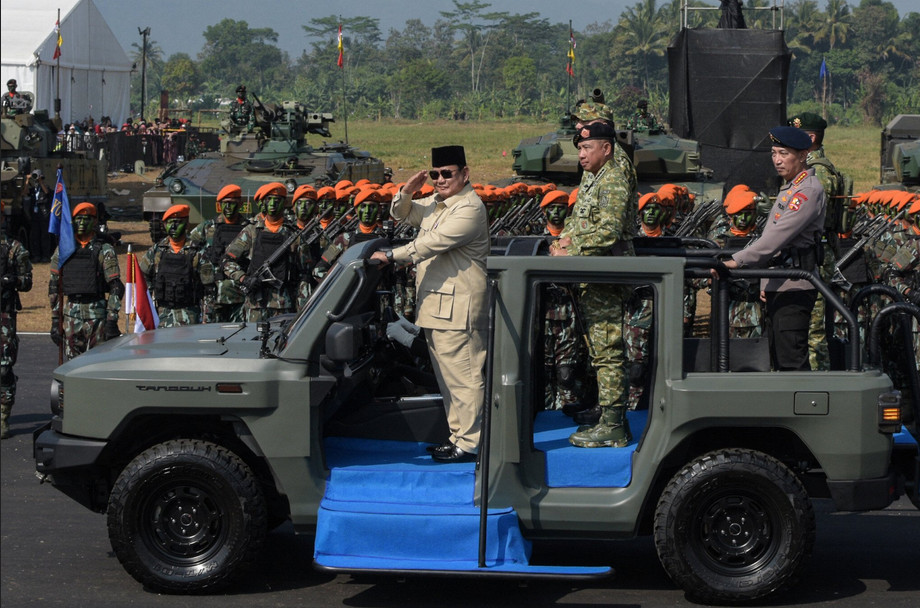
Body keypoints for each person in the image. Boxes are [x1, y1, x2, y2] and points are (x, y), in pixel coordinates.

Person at [370, 145, 490, 463]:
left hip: (459, 311)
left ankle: (471, 443)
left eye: (447, 173)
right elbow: (401, 213)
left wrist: (391, 256)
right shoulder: (439, 205)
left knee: (464, 378)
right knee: (448, 379)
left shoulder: (468, 208)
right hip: (439, 309)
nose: (440, 180)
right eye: (435, 174)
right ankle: (458, 437)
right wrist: (406, 191)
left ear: (465, 174)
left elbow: (430, 243)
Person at [549, 121, 638, 448]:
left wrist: (568, 248)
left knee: (608, 350)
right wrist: (561, 241)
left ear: (606, 148)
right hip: (592, 273)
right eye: (580, 149)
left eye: (587, 148)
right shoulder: (594, 176)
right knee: (598, 350)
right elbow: (579, 221)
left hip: (606, 275)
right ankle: (607, 415)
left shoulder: (613, 179)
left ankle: (615, 424)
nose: (581, 155)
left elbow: (609, 231)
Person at [715, 126, 826, 371]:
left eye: (783, 153)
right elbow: (773, 241)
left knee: (791, 361)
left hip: (795, 284)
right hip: (781, 281)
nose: (777, 160)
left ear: (802, 155)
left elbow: (775, 239)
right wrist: (767, 281)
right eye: (774, 153)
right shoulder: (790, 188)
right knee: (778, 358)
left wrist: (736, 261)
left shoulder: (807, 190)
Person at [788, 112, 848, 371]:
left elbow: (807, 216)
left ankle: (818, 380)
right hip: (809, 251)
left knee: (813, 328)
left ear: (810, 138)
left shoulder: (818, 173)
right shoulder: (807, 170)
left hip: (815, 254)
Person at [48, 203, 123, 361]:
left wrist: (111, 320)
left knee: (97, 365)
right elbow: (54, 286)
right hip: (71, 317)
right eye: (78, 219)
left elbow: (116, 287)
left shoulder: (104, 249)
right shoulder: (64, 249)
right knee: (72, 368)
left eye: (86, 219)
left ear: (95, 222)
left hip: (96, 317)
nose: (81, 223)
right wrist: (56, 320)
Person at [223, 182, 298, 322]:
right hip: (255, 305)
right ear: (263, 203)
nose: (273, 204)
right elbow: (227, 261)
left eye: (277, 200)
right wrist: (243, 278)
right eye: (269, 200)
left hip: (284, 303)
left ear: (284, 203)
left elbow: (304, 271)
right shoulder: (251, 231)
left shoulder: (293, 233)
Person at [140, 204, 212, 327]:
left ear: (187, 225)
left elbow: (209, 289)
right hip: (162, 317)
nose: (173, 227)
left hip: (190, 317)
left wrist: (207, 318)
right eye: (170, 223)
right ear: (164, 225)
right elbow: (142, 279)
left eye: (178, 222)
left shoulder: (198, 252)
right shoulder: (156, 251)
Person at [707, 185, 765, 338]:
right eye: (739, 214)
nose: (744, 218)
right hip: (726, 309)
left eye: (748, 213)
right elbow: (702, 273)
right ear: (731, 216)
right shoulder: (718, 241)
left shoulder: (764, 239)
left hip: (757, 310)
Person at [189, 185, 251, 323]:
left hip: (240, 294)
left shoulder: (249, 229)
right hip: (213, 295)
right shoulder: (207, 228)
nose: (228, 207)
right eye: (225, 203)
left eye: (232, 203)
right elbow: (189, 252)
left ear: (240, 204)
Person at [1, 205, 33, 439]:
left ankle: (3, 416)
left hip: (4, 315)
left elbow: (27, 282)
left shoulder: (14, 249)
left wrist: (11, 280)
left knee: (3, 369)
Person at [25, 169, 53, 262]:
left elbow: (46, 192)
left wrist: (41, 182)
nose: (36, 179)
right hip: (35, 215)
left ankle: (45, 255)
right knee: (35, 236)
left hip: (44, 215)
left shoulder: (46, 187)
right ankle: (36, 255)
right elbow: (25, 193)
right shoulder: (33, 189)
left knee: (45, 236)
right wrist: (27, 181)